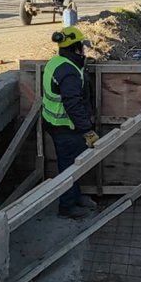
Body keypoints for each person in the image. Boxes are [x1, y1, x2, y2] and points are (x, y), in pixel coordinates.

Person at [42, 27, 100, 219]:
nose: (83, 49)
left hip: (56, 124)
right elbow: (72, 104)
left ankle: (76, 196)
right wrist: (87, 130)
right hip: (65, 128)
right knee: (68, 167)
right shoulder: (69, 72)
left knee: (71, 164)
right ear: (76, 47)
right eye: (81, 46)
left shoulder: (58, 62)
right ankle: (66, 206)